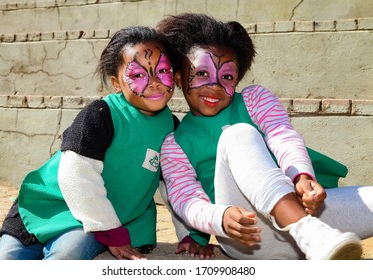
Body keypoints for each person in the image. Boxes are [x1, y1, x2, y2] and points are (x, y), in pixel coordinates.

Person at [156, 13, 373, 260]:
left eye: (227, 76)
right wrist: (221, 218)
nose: (215, 85)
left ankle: (312, 236)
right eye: (202, 74)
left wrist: (301, 174)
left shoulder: (255, 99)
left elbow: (282, 135)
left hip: (315, 221)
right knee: (238, 135)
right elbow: (186, 199)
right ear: (179, 78)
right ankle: (307, 232)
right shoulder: (175, 145)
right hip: (249, 238)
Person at [0, 26, 178, 260]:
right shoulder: (101, 114)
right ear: (117, 84)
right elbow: (77, 174)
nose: (153, 82)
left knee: (67, 255)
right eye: (138, 75)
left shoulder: (171, 128)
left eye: (162, 70)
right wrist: (111, 231)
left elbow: (176, 185)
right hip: (47, 208)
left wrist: (193, 235)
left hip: (88, 221)